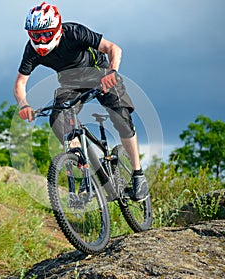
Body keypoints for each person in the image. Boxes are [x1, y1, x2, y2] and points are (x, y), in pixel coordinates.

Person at [13, 2, 149, 201]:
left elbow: (113, 48)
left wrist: (112, 72)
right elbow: (20, 83)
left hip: (100, 75)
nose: (41, 40)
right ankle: (84, 170)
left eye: (46, 34)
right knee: (58, 120)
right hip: (70, 85)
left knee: (121, 118)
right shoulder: (32, 51)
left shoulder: (74, 32)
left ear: (57, 28)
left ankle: (138, 176)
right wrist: (24, 104)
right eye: (35, 35)